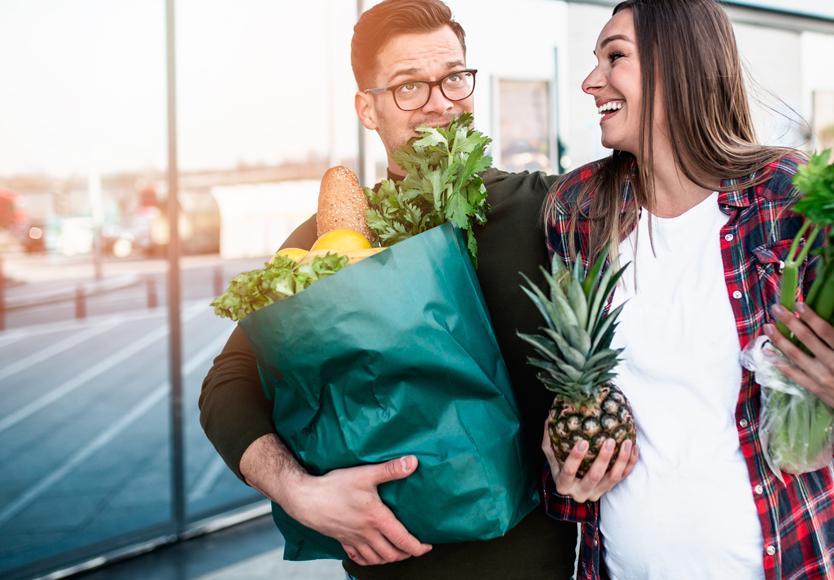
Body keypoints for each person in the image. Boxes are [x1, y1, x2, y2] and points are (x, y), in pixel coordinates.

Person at [198, 1, 577, 578]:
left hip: (541, 564)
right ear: (367, 109)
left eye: (454, 77)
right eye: (408, 86)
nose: (441, 102)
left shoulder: (549, 209)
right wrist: (298, 491)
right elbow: (228, 385)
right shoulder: (332, 236)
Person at [539, 1, 834, 579]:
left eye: (615, 57)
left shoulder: (788, 195)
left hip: (789, 561)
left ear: (680, 67)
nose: (589, 81)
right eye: (594, 60)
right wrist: (568, 467)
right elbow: (572, 392)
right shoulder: (578, 210)